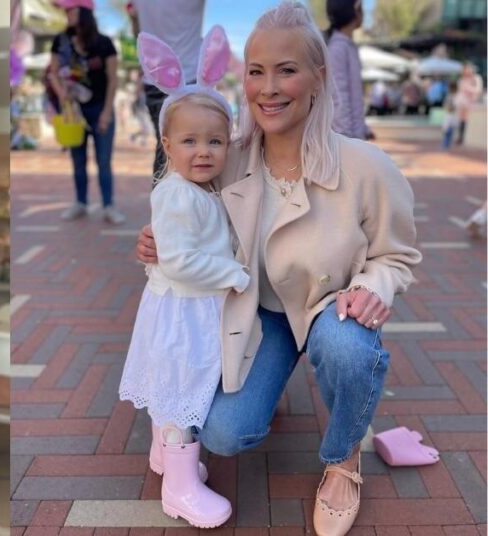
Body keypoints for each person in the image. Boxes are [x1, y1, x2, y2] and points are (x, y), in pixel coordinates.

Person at [134, 4, 421, 535]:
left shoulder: (366, 166)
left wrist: (373, 285)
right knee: (223, 435)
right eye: (255, 71)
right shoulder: (226, 156)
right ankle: (274, 375)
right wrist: (157, 239)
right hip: (257, 313)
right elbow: (188, 213)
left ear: (318, 77)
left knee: (347, 350)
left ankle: (343, 460)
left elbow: (396, 255)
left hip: (328, 309)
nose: (268, 88)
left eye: (286, 70)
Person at [118, 26, 243, 529]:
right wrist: (235, 272)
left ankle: (161, 455)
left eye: (215, 140)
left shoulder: (204, 189)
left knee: (177, 387)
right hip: (183, 309)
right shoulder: (175, 194)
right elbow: (180, 260)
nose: (203, 151)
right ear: (166, 143)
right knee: (183, 391)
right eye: (189, 141)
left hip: (191, 308)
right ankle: (180, 487)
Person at [49, 0, 125, 224]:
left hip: (100, 108)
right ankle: (80, 203)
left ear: (84, 12)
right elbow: (53, 73)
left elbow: (113, 80)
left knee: (103, 160)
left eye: (71, 10)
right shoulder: (61, 42)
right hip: (73, 112)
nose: (67, 14)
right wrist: (61, 93)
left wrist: (107, 112)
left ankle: (108, 206)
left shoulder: (104, 43)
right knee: (77, 159)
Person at [128, 0, 205, 182]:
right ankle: (197, 207)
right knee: (197, 149)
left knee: (166, 149)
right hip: (190, 78)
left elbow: (136, 28)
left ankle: (163, 208)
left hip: (154, 77)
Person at [325, 0, 373, 140]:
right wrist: (346, 139)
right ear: (356, 7)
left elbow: (354, 96)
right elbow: (339, 97)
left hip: (354, 138)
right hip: (346, 140)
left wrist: (363, 129)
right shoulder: (337, 48)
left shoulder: (347, 46)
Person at [455, 61, 484, 146]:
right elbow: (460, 91)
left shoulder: (476, 78)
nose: (465, 71)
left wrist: (468, 89)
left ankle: (463, 137)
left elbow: (478, 90)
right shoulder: (462, 79)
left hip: (472, 104)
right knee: (462, 120)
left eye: (467, 69)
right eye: (464, 69)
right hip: (462, 104)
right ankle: (461, 137)